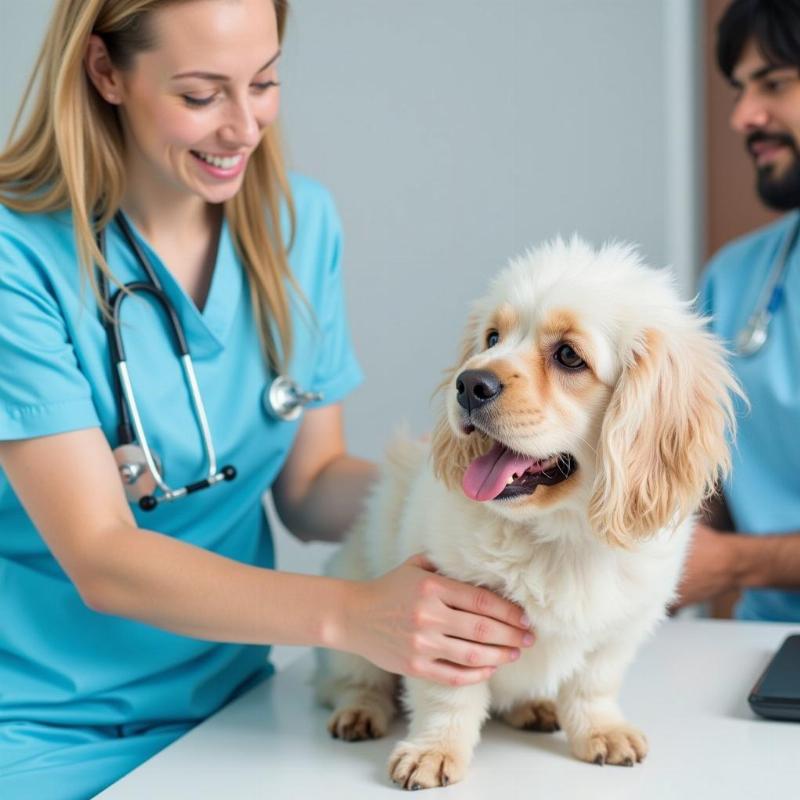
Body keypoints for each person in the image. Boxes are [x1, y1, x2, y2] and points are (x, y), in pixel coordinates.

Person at [0, 2, 535, 796]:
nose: (244, 127)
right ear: (106, 71)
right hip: (48, 727)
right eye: (200, 95)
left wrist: (466, 477)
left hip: (239, 708)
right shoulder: (18, 256)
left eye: (266, 81)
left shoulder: (295, 223)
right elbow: (102, 558)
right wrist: (353, 614)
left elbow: (312, 487)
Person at [674, 0, 800, 621]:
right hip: (759, 651)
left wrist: (735, 563)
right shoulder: (735, 277)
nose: (743, 117)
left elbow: (722, 553)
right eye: (739, 90)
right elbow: (709, 485)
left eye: (774, 83)